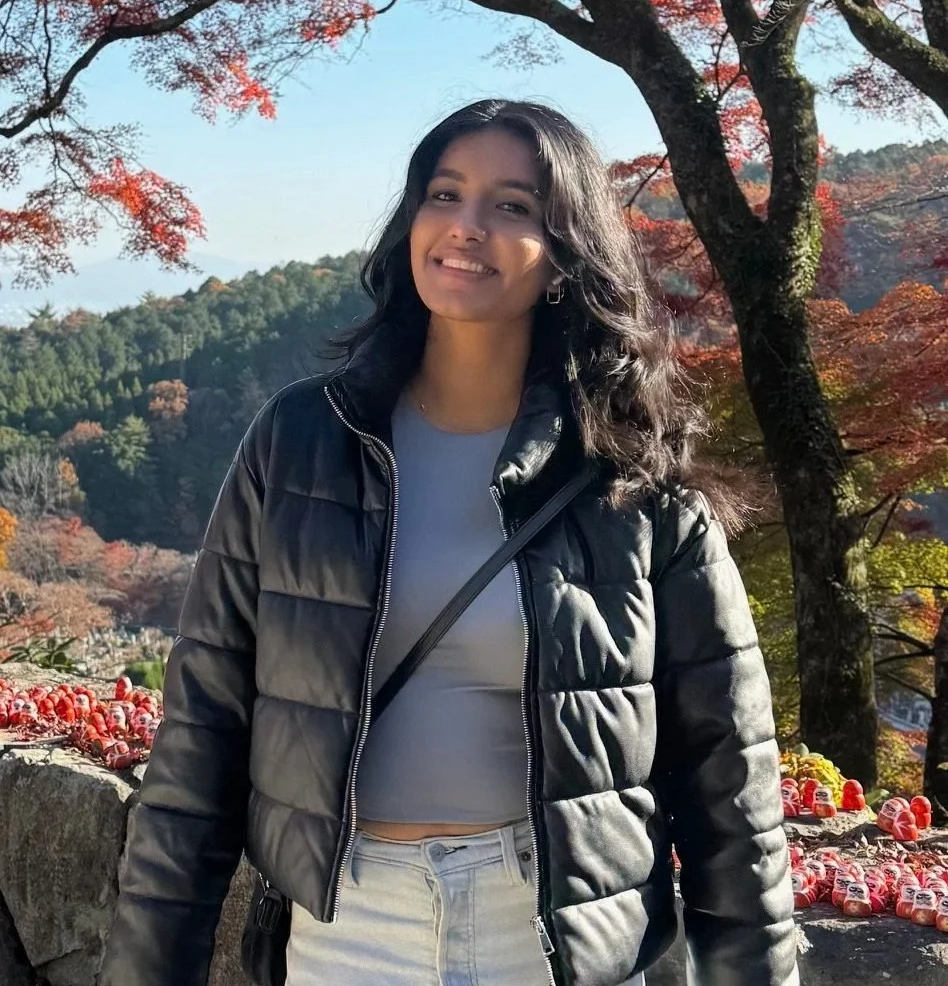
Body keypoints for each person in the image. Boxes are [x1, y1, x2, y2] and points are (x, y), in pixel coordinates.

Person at [99, 100, 797, 986]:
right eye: (445, 193)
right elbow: (202, 731)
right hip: (346, 930)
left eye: (512, 205)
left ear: (564, 255)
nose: (466, 226)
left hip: (554, 940)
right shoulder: (303, 441)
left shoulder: (631, 479)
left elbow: (728, 779)